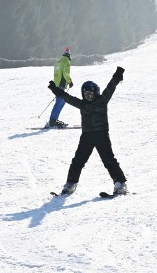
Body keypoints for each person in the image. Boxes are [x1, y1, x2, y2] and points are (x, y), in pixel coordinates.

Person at [47, 66, 128, 196]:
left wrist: (118, 75)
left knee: (109, 160)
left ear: (96, 93)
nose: (88, 96)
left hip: (101, 134)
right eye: (86, 94)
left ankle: (120, 184)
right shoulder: (82, 104)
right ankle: (70, 184)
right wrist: (56, 90)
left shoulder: (102, 100)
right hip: (87, 136)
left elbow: (111, 87)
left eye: (90, 94)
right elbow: (67, 97)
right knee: (78, 160)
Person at [47, 47, 73, 128]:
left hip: (57, 84)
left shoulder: (58, 60)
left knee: (61, 101)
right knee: (60, 102)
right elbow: (65, 73)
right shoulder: (66, 61)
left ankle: (54, 119)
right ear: (69, 54)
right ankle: (53, 121)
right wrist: (70, 81)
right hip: (61, 84)